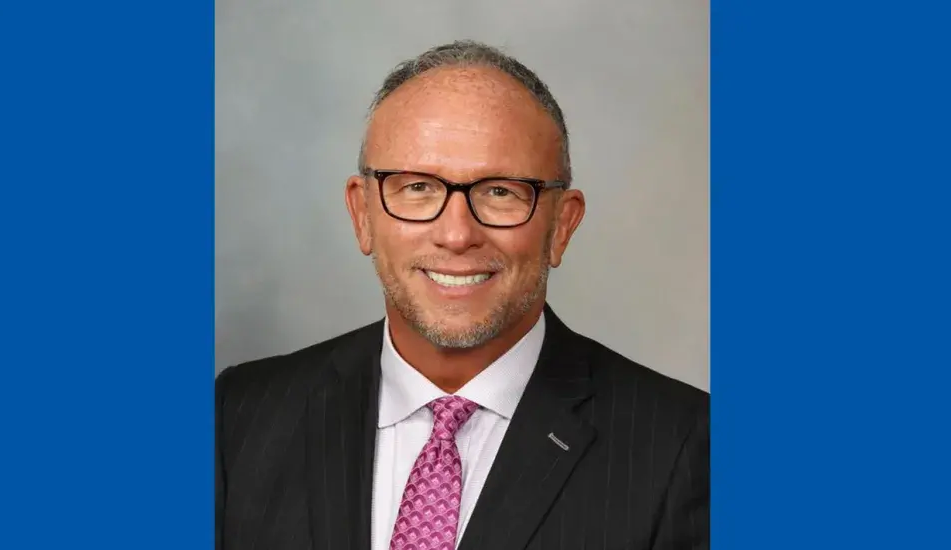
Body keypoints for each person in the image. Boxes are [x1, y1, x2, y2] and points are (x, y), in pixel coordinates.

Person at [215, 40, 708, 550]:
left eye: (500, 191)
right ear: (362, 215)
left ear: (562, 225)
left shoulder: (686, 445)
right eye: (417, 187)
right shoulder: (239, 417)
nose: (456, 235)